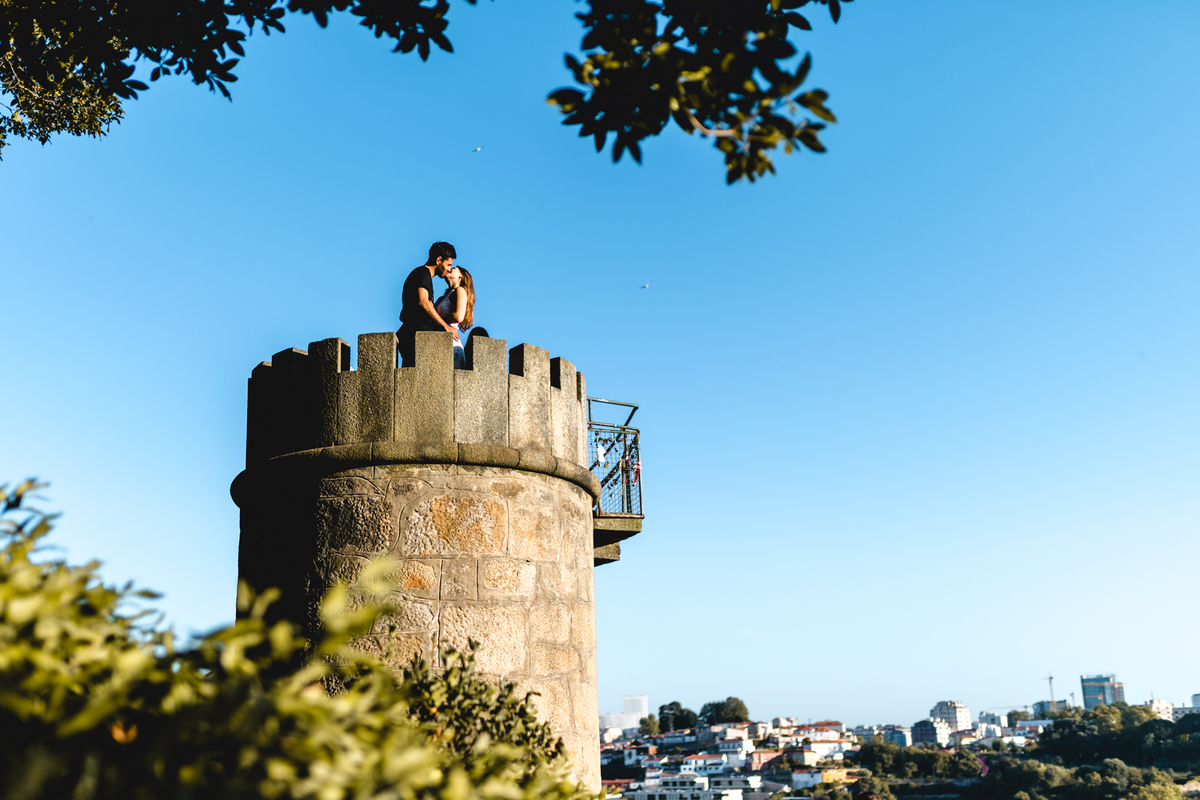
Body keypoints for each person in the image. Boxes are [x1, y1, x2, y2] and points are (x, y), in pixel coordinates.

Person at [397, 242, 459, 367]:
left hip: (413, 336)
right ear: (439, 260)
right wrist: (446, 327)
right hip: (415, 337)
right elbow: (424, 302)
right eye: (448, 265)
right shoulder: (423, 272)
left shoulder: (422, 275)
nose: (449, 269)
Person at [433, 265, 475, 369]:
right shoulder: (443, 297)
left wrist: (436, 317)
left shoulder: (460, 290)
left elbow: (458, 316)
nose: (449, 269)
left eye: (453, 268)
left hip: (451, 343)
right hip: (441, 340)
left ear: (461, 275)